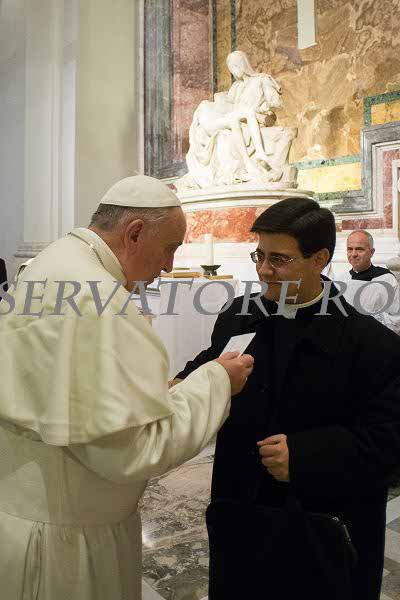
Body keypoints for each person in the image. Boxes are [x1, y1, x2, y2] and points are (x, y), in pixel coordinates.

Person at [0, 175, 253, 600]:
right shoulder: (101, 302)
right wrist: (216, 381)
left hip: (23, 513)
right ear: (134, 233)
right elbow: (135, 450)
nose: (169, 266)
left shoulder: (52, 261)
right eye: (170, 248)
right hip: (70, 537)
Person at [175, 198, 400, 600]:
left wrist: (308, 453)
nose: (263, 270)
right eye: (259, 255)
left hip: (324, 528)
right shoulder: (239, 315)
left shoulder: (371, 343)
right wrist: (181, 382)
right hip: (241, 511)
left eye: (278, 259)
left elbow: (389, 438)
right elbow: (213, 360)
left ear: (320, 259)